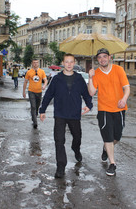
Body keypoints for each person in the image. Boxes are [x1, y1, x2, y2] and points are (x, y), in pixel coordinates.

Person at [39, 54, 93, 178]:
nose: (69, 64)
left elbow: (86, 94)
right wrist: (42, 110)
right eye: (66, 62)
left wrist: (89, 105)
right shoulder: (57, 79)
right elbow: (48, 95)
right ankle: (61, 166)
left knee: (77, 137)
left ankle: (76, 149)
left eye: (71, 62)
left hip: (74, 114)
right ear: (63, 63)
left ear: (74, 63)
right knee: (59, 140)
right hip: (60, 114)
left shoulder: (79, 78)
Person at [88, 48, 130, 176]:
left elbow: (127, 88)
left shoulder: (119, 70)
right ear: (97, 60)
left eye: (104, 56)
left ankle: (106, 148)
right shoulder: (96, 73)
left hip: (119, 109)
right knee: (108, 137)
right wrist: (90, 78)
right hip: (104, 110)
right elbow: (91, 92)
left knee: (117, 137)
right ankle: (112, 164)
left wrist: (123, 99)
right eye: (99, 57)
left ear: (110, 57)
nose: (102, 59)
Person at [23, 59, 48, 128]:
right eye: (34, 63)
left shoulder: (41, 71)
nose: (35, 64)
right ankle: (35, 122)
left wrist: (44, 85)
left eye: (36, 62)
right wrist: (23, 92)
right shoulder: (29, 72)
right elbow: (25, 82)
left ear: (38, 63)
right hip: (31, 91)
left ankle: (34, 116)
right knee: (33, 106)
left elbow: (45, 80)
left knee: (37, 106)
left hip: (39, 92)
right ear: (32, 63)